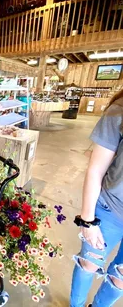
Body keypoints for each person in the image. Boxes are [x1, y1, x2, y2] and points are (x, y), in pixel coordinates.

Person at [70, 91, 123, 307]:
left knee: (120, 279)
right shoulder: (118, 111)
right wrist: (88, 221)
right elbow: (95, 170)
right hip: (110, 208)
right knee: (89, 263)